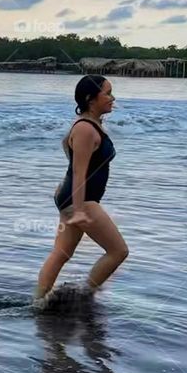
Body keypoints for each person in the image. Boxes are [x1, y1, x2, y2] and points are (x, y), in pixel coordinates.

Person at [35, 75, 129, 301]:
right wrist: (77, 210)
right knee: (118, 251)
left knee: (61, 253)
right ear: (90, 99)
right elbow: (79, 172)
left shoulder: (89, 126)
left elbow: (66, 146)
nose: (112, 98)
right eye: (107, 93)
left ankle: (38, 303)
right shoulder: (86, 129)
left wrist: (65, 190)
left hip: (75, 198)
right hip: (82, 200)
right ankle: (84, 296)